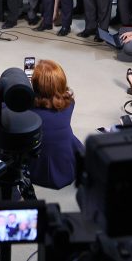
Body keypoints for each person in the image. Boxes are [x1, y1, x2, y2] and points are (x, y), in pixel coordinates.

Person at [27, 60, 84, 189]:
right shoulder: (69, 104)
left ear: (35, 85)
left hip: (35, 167)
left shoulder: (28, 110)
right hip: (65, 167)